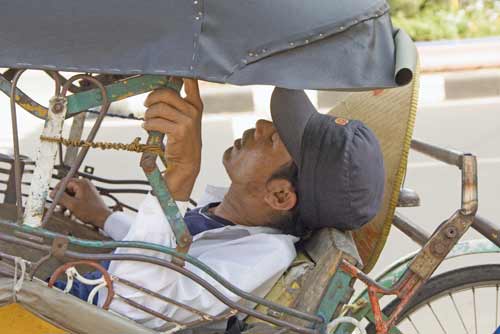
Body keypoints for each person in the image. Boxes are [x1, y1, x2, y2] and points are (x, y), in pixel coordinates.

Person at [51, 79, 385, 329]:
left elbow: (132, 305)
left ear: (280, 196)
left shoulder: (263, 256)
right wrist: (104, 217)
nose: (261, 126)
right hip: (77, 289)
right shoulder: (228, 218)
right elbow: (171, 256)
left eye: (273, 139)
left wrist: (179, 179)